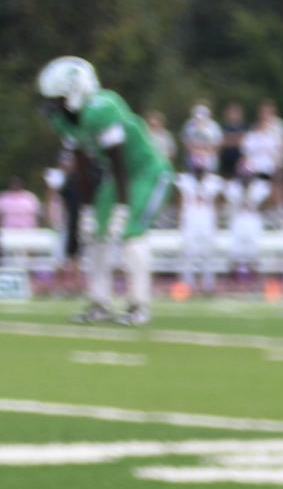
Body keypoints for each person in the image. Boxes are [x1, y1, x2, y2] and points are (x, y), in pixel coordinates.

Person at [34, 58, 171, 325]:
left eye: (59, 97)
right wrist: (87, 209)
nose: (54, 105)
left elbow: (119, 160)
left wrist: (122, 207)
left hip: (147, 171)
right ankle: (100, 302)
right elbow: (82, 164)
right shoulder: (67, 120)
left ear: (75, 91)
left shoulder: (103, 107)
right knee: (95, 233)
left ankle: (138, 305)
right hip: (118, 176)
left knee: (130, 232)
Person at [175, 167, 226, 295]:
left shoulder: (213, 182)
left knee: (208, 254)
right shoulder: (185, 180)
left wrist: (216, 216)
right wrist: (180, 217)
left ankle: (208, 285)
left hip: (206, 219)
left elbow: (220, 199)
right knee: (188, 254)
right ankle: (187, 285)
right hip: (190, 219)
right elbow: (179, 198)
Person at [223, 171, 270, 282]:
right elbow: (226, 201)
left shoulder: (260, 187)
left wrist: (257, 206)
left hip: (253, 220)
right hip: (238, 221)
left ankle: (255, 280)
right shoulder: (233, 187)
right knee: (235, 251)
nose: (246, 180)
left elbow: (267, 203)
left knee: (254, 251)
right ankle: (233, 282)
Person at [181, 102, 222, 175]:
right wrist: (196, 150)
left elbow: (217, 143)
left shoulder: (214, 126)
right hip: (193, 158)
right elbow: (186, 143)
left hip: (209, 157)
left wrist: (206, 151)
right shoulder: (189, 125)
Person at [217, 102, 247, 181]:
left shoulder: (244, 126)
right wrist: (235, 139)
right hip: (225, 158)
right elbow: (221, 142)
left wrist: (229, 139)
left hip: (238, 158)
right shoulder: (223, 126)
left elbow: (242, 141)